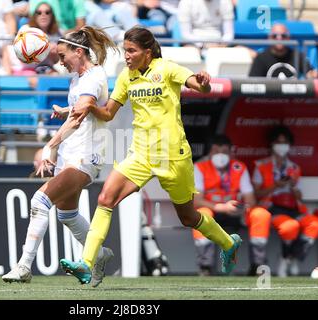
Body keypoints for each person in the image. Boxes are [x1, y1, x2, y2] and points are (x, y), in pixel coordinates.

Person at [60, 26, 242, 285]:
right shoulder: (126, 77)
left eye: (132, 51)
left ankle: (228, 243)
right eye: (125, 51)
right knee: (105, 198)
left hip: (173, 156)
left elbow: (199, 87)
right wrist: (91, 107)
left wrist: (202, 82)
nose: (127, 56)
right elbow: (109, 113)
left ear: (148, 52)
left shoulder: (166, 68)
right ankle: (86, 264)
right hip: (141, 154)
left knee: (188, 217)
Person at [2, 25, 118, 288]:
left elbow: (80, 117)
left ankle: (23, 266)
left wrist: (50, 145)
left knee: (40, 201)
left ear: (79, 51)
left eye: (63, 56)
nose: (60, 61)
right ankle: (99, 255)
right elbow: (80, 110)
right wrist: (65, 109)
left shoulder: (93, 77)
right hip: (73, 152)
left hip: (85, 156)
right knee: (67, 214)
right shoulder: (79, 77)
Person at [252, 125, 318, 277]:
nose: (282, 146)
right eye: (278, 142)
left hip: (292, 207)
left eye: (285, 142)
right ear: (272, 145)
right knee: (290, 227)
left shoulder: (294, 168)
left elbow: (299, 196)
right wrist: (275, 186)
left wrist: (292, 186)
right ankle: (285, 260)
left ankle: (291, 257)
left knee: (317, 224)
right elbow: (256, 194)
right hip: (272, 208)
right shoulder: (261, 166)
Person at [192, 134, 271, 276]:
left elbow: (251, 201)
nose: (220, 155)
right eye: (216, 151)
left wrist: (240, 208)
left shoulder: (238, 167)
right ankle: (205, 267)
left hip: (236, 213)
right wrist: (222, 207)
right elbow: (196, 201)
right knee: (201, 214)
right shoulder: (200, 167)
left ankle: (258, 266)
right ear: (210, 152)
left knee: (260, 214)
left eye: (225, 151)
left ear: (231, 152)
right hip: (213, 212)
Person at [249, 23, 317, 79]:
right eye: (274, 36)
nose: (279, 38)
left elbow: (311, 75)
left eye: (283, 36)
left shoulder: (297, 56)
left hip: (292, 95)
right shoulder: (261, 58)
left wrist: (313, 75)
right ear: (269, 38)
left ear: (289, 38)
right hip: (269, 95)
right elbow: (253, 84)